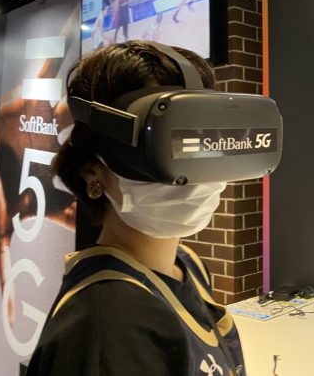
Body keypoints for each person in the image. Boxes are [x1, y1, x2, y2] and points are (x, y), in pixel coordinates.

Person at [27, 41, 246, 376]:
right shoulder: (106, 325)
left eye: (203, 138)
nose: (188, 168)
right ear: (92, 172)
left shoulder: (187, 265)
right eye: (160, 144)